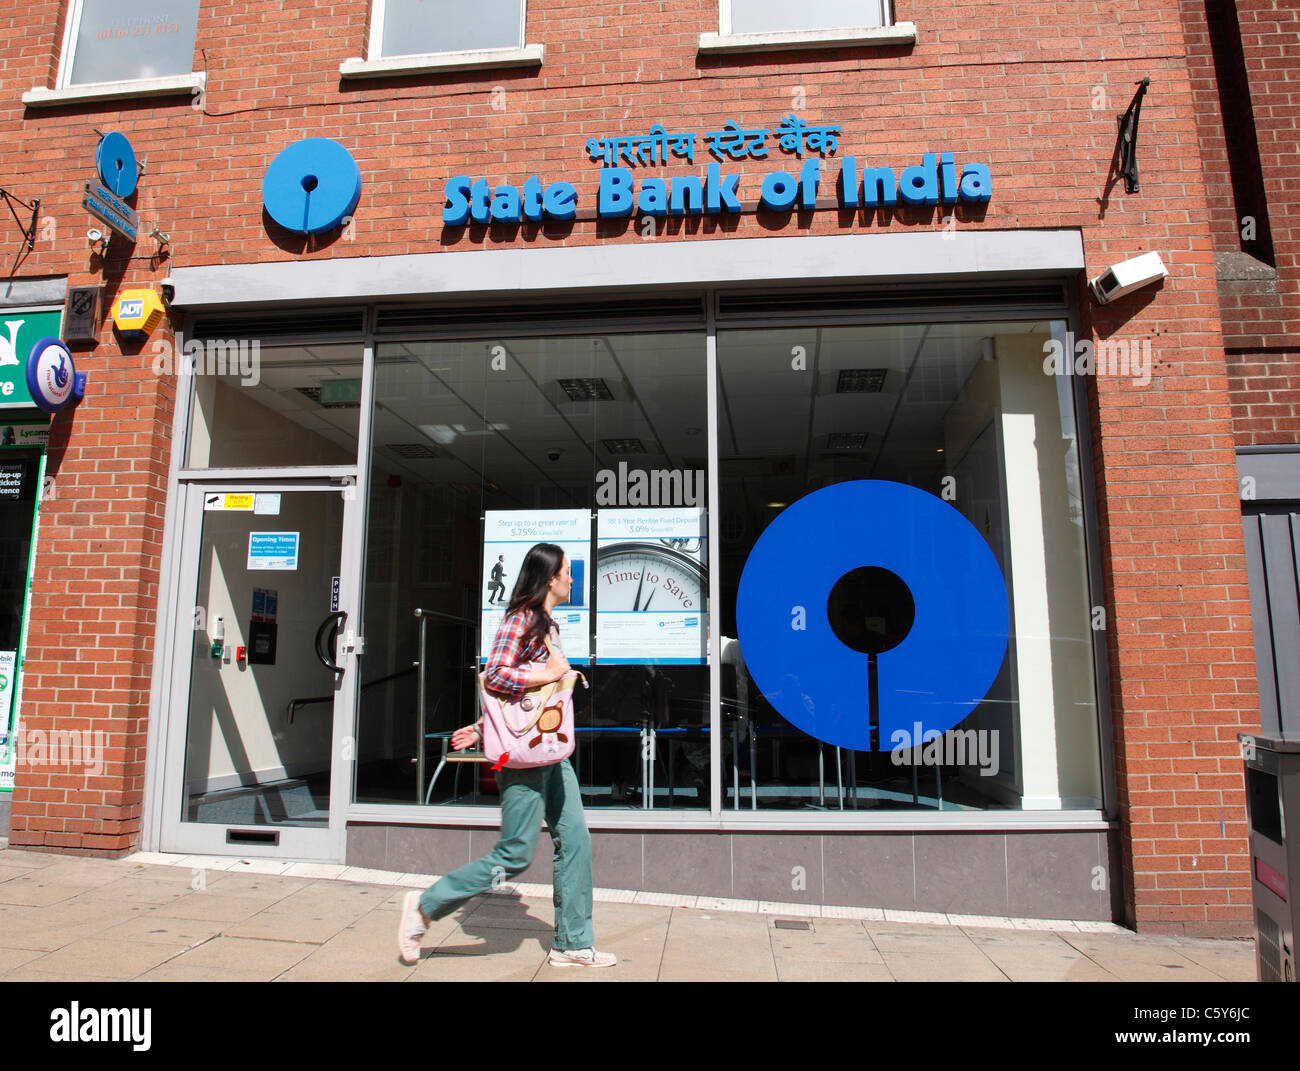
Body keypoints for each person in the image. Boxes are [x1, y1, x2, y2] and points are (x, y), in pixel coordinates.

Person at [398, 543, 616, 968]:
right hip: (522, 761)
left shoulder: (547, 625)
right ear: (550, 578)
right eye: (568, 572)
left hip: (550, 752)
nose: (573, 579)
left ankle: (572, 943)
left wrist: (483, 726)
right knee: (515, 855)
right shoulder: (521, 619)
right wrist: (552, 673)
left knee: (575, 840)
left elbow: (528, 703)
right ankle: (425, 906)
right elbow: (495, 675)